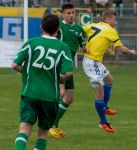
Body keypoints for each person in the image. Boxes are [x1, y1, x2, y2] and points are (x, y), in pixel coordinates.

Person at [12, 14, 73, 150]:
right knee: (42, 135)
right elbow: (68, 73)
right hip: (50, 97)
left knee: (24, 130)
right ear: (58, 29)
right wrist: (59, 78)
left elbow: (14, 65)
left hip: (30, 93)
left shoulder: (31, 43)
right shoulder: (63, 47)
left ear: (41, 27)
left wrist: (27, 72)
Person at [82, 10, 136, 133]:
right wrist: (131, 52)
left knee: (109, 80)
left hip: (94, 62)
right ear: (108, 20)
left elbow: (79, 31)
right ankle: (103, 122)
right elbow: (121, 49)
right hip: (91, 63)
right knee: (99, 93)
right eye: (114, 20)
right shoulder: (111, 30)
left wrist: (82, 45)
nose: (115, 23)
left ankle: (104, 107)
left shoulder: (93, 25)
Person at [49, 3, 86, 139]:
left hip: (67, 67)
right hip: (58, 64)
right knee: (62, 93)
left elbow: (83, 47)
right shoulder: (59, 28)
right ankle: (49, 124)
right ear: (63, 15)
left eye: (73, 13)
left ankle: (54, 125)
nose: (71, 15)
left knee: (69, 98)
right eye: (68, 13)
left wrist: (90, 50)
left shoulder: (79, 29)